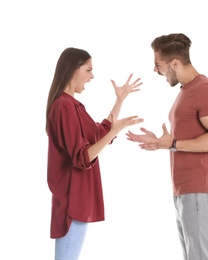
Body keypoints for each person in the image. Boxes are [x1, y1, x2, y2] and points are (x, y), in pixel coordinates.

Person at [126, 33, 208, 260]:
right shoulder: (186, 91)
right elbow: (188, 137)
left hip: (200, 190)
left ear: (175, 63)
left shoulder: (205, 90)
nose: (155, 70)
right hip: (186, 191)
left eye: (158, 65)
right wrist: (162, 141)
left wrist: (172, 143)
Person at [45, 47, 143, 260]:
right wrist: (113, 132)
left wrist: (120, 100)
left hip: (77, 202)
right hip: (72, 204)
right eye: (88, 70)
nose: (92, 76)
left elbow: (99, 134)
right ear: (73, 70)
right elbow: (82, 157)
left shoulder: (71, 105)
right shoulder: (64, 107)